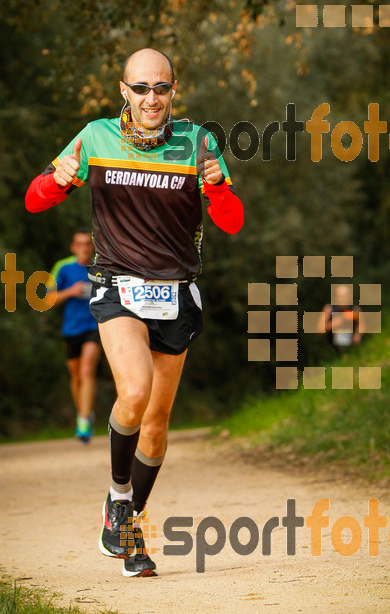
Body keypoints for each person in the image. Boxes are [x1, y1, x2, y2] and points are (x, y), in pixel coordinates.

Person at [25, 48, 244, 577]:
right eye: (141, 87)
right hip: (116, 285)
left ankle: (126, 525)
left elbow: (233, 222)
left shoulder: (198, 142)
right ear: (123, 90)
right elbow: (35, 199)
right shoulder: (96, 136)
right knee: (135, 392)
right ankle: (118, 497)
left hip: (178, 292)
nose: (151, 97)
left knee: (156, 427)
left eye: (161, 88)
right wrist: (60, 178)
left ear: (174, 91)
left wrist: (215, 186)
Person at [46, 230, 102, 442]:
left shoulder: (101, 266)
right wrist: (71, 291)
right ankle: (84, 413)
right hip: (70, 329)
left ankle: (83, 421)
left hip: (95, 326)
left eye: (88, 244)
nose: (85, 248)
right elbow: (46, 299)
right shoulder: (63, 267)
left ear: (93, 247)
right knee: (76, 376)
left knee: (87, 370)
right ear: (73, 248)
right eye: (80, 244)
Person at [317, 284, 361, 353]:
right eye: (339, 296)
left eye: (344, 296)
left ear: (349, 296)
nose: (342, 299)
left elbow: (361, 324)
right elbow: (319, 330)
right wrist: (334, 323)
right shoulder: (329, 309)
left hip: (351, 347)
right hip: (332, 349)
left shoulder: (354, 310)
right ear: (335, 297)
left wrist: (358, 334)